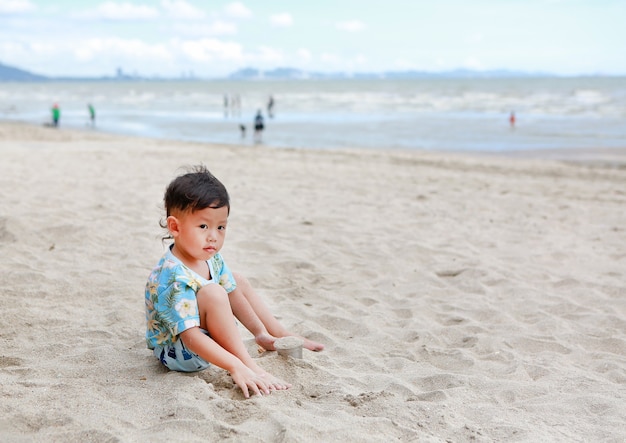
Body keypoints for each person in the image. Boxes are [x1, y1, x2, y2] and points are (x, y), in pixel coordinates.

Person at [145, 166, 323, 398]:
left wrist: (256, 331)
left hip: (201, 335)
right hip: (180, 352)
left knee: (235, 280)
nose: (214, 236)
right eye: (203, 226)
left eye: (221, 227)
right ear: (175, 227)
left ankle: (272, 332)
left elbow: (232, 290)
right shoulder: (173, 276)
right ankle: (248, 363)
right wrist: (236, 365)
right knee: (214, 292)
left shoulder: (210, 256)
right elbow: (191, 337)